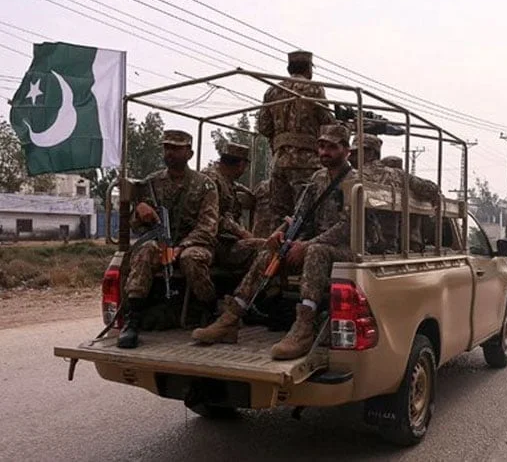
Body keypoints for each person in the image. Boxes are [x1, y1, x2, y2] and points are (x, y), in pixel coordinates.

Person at [192, 123, 357, 360]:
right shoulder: (317, 178)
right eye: (321, 146)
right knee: (271, 252)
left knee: (316, 251)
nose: (324, 152)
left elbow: (347, 226)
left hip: (346, 249)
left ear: (346, 150)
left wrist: (306, 245)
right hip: (314, 243)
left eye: (331, 147)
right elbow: (301, 215)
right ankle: (230, 318)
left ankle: (304, 327)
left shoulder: (354, 182)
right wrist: (283, 234)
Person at [119, 130, 219, 349]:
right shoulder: (151, 183)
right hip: (160, 243)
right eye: (167, 148)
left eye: (176, 148)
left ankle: (210, 312)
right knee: (145, 251)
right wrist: (140, 212)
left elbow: (208, 227)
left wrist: (181, 247)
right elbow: (135, 226)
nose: (170, 153)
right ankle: (132, 320)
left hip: (193, 244)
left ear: (189, 153)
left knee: (191, 258)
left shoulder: (204, 185)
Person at [257, 50, 335, 229]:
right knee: (307, 212)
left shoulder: (272, 91)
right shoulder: (314, 88)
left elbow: (264, 127)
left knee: (279, 214)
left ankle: (277, 246)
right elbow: (327, 123)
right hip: (307, 163)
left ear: (289, 68)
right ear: (308, 69)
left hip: (279, 162)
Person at [349, 134, 441, 253]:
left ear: (371, 153)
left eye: (355, 153)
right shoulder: (397, 174)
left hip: (356, 243)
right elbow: (430, 188)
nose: (350, 157)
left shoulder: (351, 175)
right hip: (386, 246)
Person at [202, 143, 266, 272]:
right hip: (215, 242)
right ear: (241, 165)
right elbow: (215, 216)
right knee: (265, 249)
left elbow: (233, 188)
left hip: (221, 240)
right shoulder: (212, 180)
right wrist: (243, 233)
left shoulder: (222, 178)